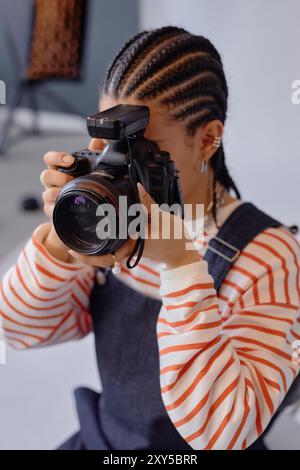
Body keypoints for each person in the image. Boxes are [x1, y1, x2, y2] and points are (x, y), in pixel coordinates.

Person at [0, 26, 299, 450]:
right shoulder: (111, 217)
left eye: (140, 151)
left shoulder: (268, 256)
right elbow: (21, 328)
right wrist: (62, 240)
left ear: (209, 138)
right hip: (109, 437)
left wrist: (180, 264)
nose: (117, 168)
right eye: (106, 148)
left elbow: (225, 431)